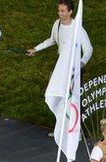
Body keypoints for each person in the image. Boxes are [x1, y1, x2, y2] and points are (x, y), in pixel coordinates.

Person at [27, 0, 93, 136]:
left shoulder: (77, 28)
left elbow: (88, 49)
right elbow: (52, 40)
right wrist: (36, 49)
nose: (60, 13)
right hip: (60, 66)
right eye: (59, 10)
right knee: (59, 96)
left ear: (70, 11)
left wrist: (80, 63)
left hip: (74, 67)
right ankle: (61, 129)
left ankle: (76, 132)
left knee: (73, 99)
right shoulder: (57, 24)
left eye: (63, 11)